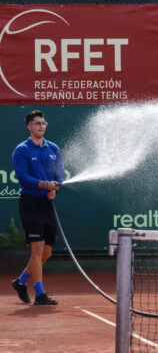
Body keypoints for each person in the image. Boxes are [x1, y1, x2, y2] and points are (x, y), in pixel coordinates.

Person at [11, 110, 65, 305]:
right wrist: (44, 185)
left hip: (47, 204)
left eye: (43, 122)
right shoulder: (22, 150)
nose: (41, 126)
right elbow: (23, 177)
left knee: (47, 252)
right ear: (29, 127)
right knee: (37, 250)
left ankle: (21, 282)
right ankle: (40, 294)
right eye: (37, 123)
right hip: (30, 203)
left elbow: (61, 175)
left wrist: (56, 189)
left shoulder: (54, 149)